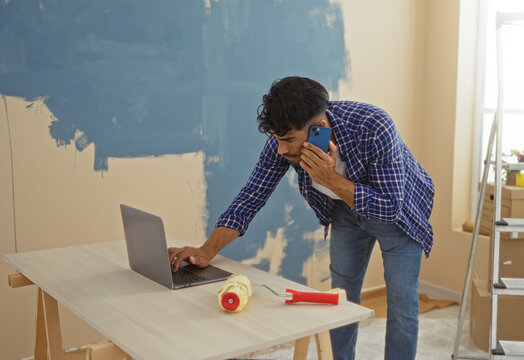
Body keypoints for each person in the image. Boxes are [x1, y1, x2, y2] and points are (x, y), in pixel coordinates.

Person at [168, 76, 434, 360]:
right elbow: (251, 197)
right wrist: (206, 251)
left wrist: (330, 180)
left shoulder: (374, 126)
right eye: (277, 139)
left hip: (401, 214)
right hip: (345, 212)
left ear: (318, 129)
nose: (281, 149)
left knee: (402, 303)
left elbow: (390, 206)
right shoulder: (284, 138)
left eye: (288, 141)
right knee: (340, 300)